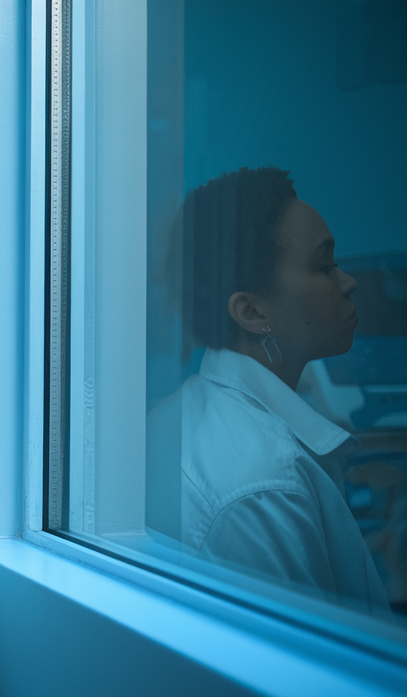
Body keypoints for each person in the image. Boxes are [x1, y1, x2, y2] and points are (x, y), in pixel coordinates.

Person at [147, 166, 389, 613]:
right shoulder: (262, 488)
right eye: (324, 266)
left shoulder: (187, 416)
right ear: (252, 311)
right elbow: (310, 672)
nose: (349, 282)